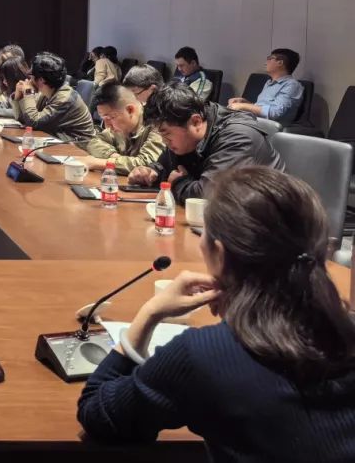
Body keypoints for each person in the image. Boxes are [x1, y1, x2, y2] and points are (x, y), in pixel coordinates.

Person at [78, 167, 355, 460]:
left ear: (220, 254)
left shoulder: (202, 355)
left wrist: (150, 313)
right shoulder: (343, 330)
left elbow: (99, 415)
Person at [128, 84, 284, 204]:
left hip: (271, 221)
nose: (164, 141)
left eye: (166, 133)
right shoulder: (188, 130)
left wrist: (177, 183)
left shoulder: (238, 137)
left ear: (196, 122)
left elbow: (209, 195)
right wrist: (151, 172)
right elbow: (168, 166)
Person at [12, 52, 95, 146]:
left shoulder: (64, 98)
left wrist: (28, 92)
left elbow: (34, 122)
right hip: (61, 140)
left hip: (78, 147)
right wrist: (18, 97)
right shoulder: (48, 92)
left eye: (31, 76)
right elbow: (25, 119)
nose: (30, 80)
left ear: (41, 80)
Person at [82, 83, 165, 173]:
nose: (107, 125)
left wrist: (99, 163)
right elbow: (94, 142)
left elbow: (146, 165)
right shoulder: (119, 125)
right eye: (104, 119)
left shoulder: (157, 124)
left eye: (111, 118)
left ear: (130, 110)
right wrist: (113, 156)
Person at [227, 48, 304, 126]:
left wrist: (243, 106)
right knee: (219, 111)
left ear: (280, 62)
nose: (265, 63)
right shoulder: (269, 83)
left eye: (269, 58)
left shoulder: (292, 85)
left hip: (268, 126)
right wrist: (245, 102)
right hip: (253, 120)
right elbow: (262, 107)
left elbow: (275, 113)